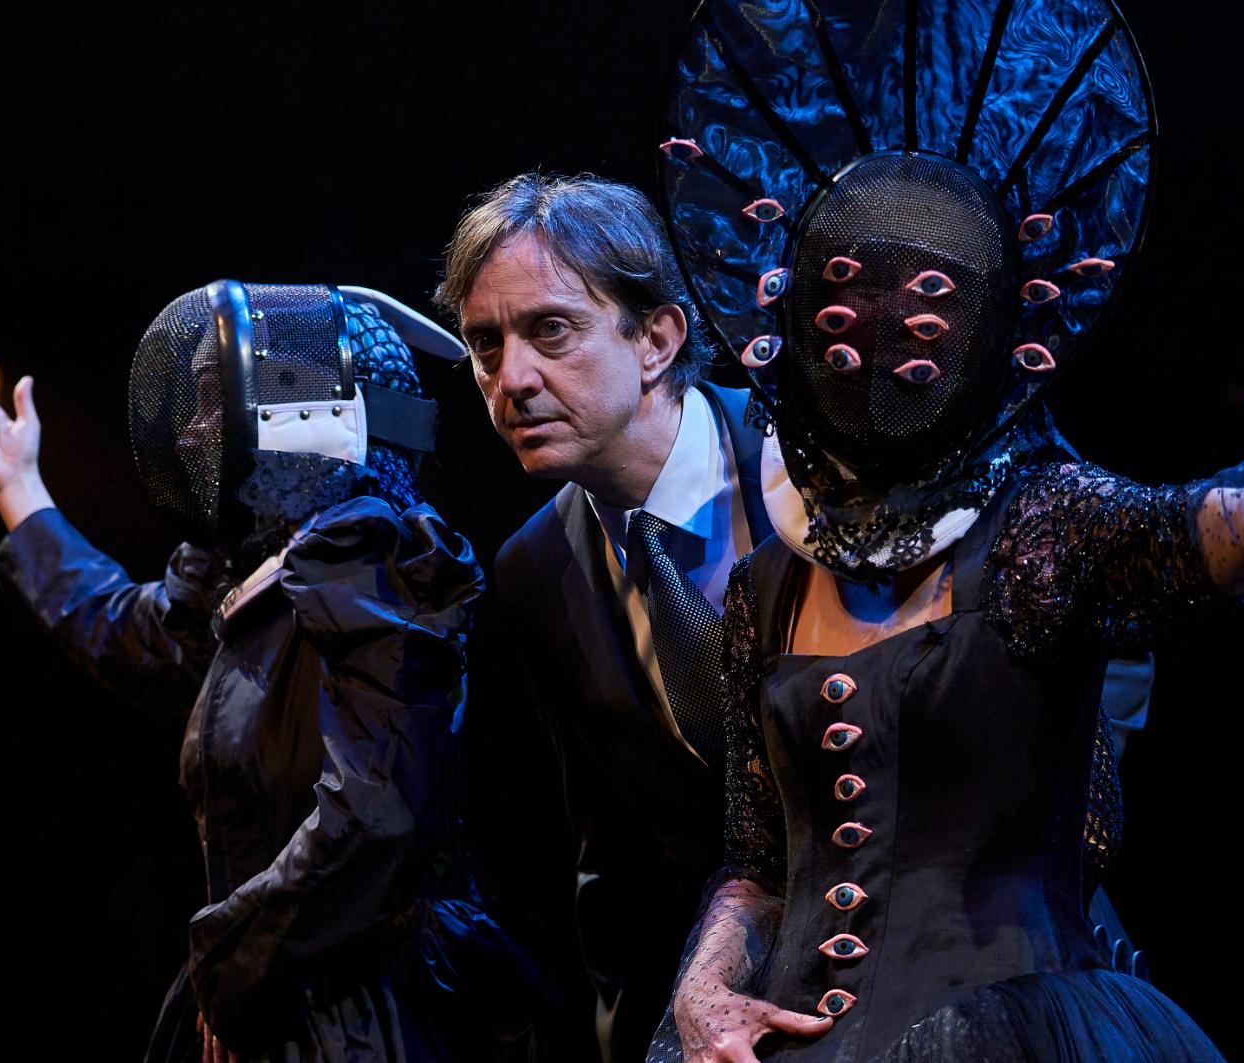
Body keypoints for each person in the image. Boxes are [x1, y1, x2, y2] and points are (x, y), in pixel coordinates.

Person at [645, 1, 1244, 1058]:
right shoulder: (766, 585)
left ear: (993, 332)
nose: (884, 340)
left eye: (927, 306)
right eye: (849, 301)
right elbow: (757, 858)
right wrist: (704, 985)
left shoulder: (1043, 527)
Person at [439, 173, 1158, 1062]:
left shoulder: (831, 448)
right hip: (766, 1008)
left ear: (657, 338)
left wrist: (1032, 807)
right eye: (485, 344)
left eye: (550, 329)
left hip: (993, 964)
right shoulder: (533, 568)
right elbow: (614, 858)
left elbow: (1086, 583)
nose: (511, 379)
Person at [0, 282, 534, 1062]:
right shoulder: (260, 576)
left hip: (365, 1019)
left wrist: (237, 957)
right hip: (267, 1001)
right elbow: (133, 637)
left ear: (306, 408)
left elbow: (376, 814)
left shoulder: (373, 561)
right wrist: (19, 486)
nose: (194, 428)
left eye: (219, 401)